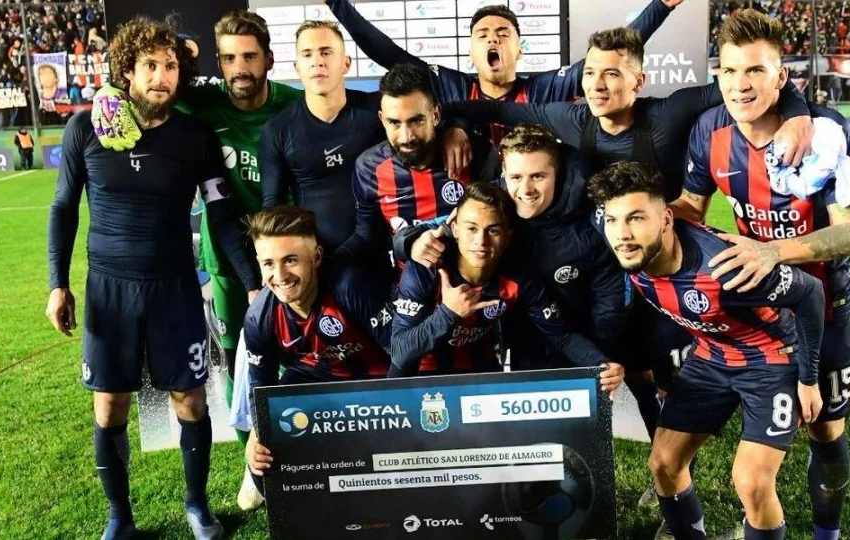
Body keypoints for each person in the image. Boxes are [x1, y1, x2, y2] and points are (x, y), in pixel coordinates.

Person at [45, 17, 261, 540]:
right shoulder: (85, 128)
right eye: (150, 65)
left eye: (170, 66)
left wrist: (252, 281)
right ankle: (119, 517)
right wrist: (57, 283)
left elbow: (220, 213)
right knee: (110, 406)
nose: (161, 76)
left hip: (174, 290)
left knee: (190, 401)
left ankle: (196, 506)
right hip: (108, 291)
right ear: (127, 70)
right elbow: (63, 208)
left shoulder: (195, 137)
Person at [675, 10, 850, 540]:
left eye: (756, 71)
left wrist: (773, 251)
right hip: (759, 309)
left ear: (781, 76)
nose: (741, 84)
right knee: (759, 451)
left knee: (825, 430)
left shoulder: (825, 131)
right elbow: (691, 206)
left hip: (827, 307)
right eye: (731, 70)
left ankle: (827, 534)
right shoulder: (709, 130)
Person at [589, 161, 825, 540]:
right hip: (711, 355)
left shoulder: (725, 267)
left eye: (636, 218)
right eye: (613, 220)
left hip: (771, 358)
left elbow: (810, 292)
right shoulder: (625, 249)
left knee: (751, 481)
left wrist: (809, 380)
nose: (623, 234)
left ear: (666, 219)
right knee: (664, 463)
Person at [442, 26, 813, 202]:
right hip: (601, 253)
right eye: (590, 73)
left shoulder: (669, 114)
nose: (596, 85)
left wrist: (798, 115)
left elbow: (753, 83)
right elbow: (497, 109)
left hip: (665, 249)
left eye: (611, 74)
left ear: (639, 81)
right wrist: (446, 117)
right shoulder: (573, 119)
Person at [324, 0, 685, 147]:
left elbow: (612, 54)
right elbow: (387, 53)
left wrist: (660, 6)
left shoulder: (546, 89)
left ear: (519, 49)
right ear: (471, 52)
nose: (492, 39)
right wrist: (337, 4)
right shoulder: (449, 85)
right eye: (482, 35)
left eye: (503, 33)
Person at [259, 21, 473, 267]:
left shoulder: (376, 108)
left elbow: (434, 104)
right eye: (307, 54)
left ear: (346, 63)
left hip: (379, 253)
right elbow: (273, 210)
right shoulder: (277, 130)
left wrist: (457, 127)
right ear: (296, 67)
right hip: (316, 261)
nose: (317, 62)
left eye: (326, 52)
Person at [389, 182, 625, 397]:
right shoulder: (426, 269)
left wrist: (601, 363)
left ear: (508, 236)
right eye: (471, 228)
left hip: (479, 368)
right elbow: (400, 352)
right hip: (422, 370)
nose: (481, 241)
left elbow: (561, 335)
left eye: (492, 230)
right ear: (455, 229)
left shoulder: (518, 278)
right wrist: (448, 313)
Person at [240, 205, 394, 495]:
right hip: (314, 382)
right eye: (268, 263)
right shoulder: (258, 317)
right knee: (264, 470)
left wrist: (392, 415)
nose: (280, 275)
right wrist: (257, 435)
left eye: (290, 260)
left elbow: (402, 356)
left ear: (317, 257)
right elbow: (261, 386)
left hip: (375, 383)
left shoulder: (351, 286)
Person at [344, 63, 499, 265]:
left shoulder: (477, 153)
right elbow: (369, 239)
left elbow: (499, 225)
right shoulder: (369, 168)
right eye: (394, 123)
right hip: (409, 280)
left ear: (435, 115)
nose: (406, 137)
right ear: (382, 120)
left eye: (416, 121)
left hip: (474, 277)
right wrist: (408, 245)